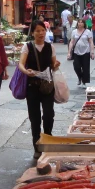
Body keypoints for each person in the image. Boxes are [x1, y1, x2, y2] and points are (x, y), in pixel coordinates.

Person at [19, 20, 61, 158]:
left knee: (49, 114)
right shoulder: (27, 47)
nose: (41, 33)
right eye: (37, 31)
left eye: (43, 30)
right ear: (32, 33)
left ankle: (47, 140)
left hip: (47, 86)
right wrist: (26, 72)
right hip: (32, 87)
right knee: (34, 117)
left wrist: (56, 65)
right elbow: (21, 64)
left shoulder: (50, 47)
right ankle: (37, 146)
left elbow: (53, 65)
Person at [67, 18, 94, 88]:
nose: (80, 24)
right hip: (76, 52)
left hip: (86, 52)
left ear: (84, 24)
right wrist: (69, 52)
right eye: (79, 22)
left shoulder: (88, 32)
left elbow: (91, 42)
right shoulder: (74, 32)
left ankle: (84, 82)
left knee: (85, 67)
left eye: (82, 22)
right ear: (77, 24)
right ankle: (80, 77)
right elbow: (72, 42)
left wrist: (92, 52)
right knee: (76, 66)